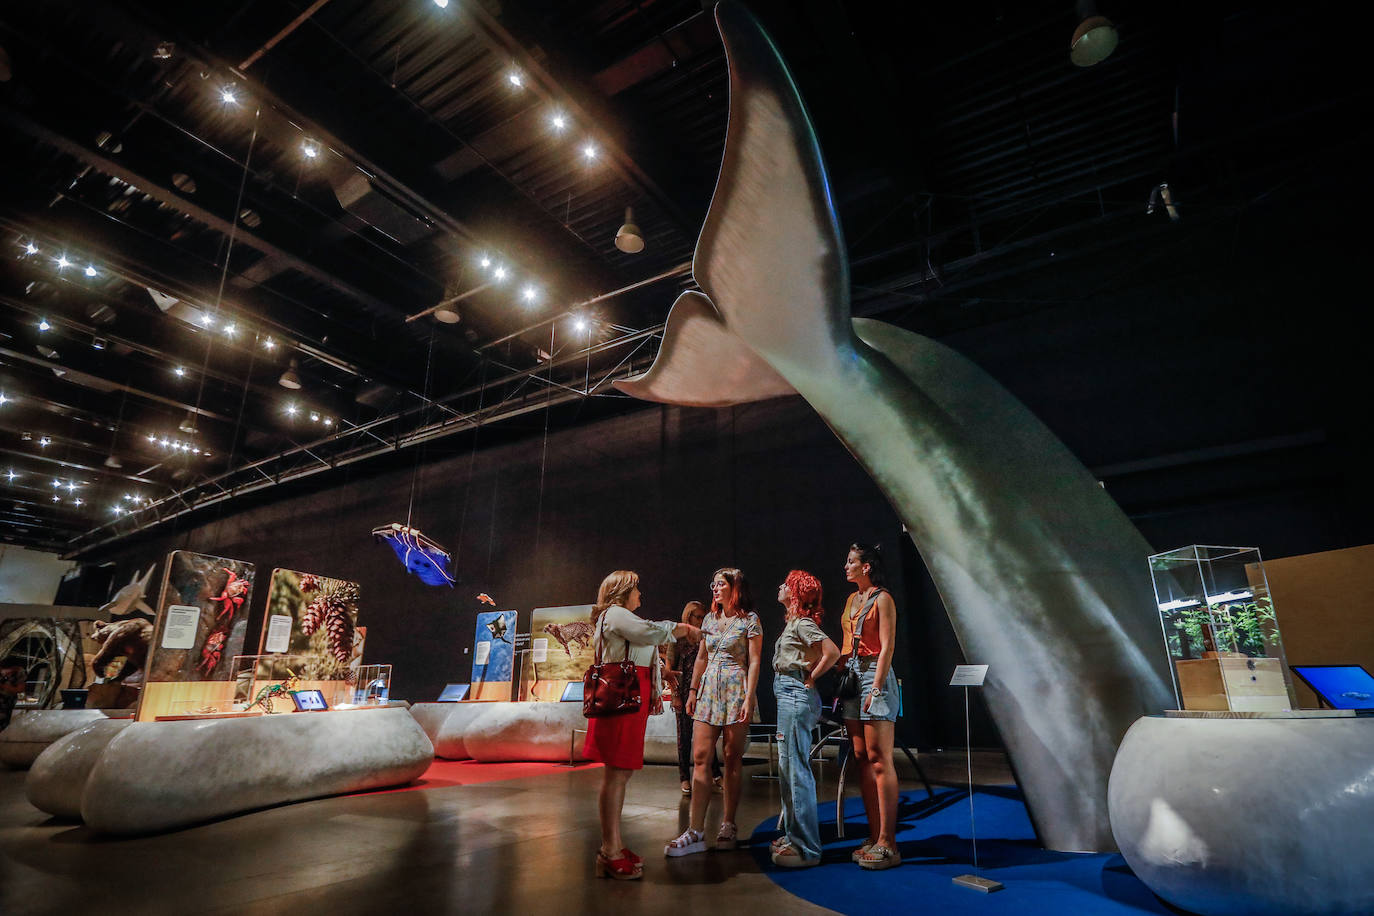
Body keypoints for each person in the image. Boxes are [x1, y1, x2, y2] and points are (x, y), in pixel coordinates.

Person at [585, 570, 700, 880]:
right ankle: (609, 851)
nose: (641, 595)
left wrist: (665, 677)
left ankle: (613, 847)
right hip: (621, 702)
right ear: (623, 592)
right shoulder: (616, 614)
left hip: (628, 702)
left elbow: (642, 647)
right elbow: (649, 633)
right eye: (636, 589)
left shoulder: (619, 617)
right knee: (616, 773)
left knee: (619, 773)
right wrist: (683, 628)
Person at [665, 568, 762, 857]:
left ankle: (728, 823)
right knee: (700, 757)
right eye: (714, 584)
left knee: (732, 756)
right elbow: (702, 658)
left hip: (736, 689)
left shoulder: (750, 620)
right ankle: (695, 829)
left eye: (721, 584)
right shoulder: (709, 619)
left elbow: (755, 661)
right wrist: (692, 690)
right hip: (708, 689)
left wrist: (749, 696)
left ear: (735, 589)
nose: (715, 589)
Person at [770, 569, 840, 868]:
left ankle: (807, 848)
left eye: (787, 584)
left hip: (795, 695)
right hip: (789, 695)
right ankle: (793, 835)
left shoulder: (802, 624)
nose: (781, 586)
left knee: (795, 770)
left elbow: (831, 652)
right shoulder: (794, 624)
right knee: (789, 768)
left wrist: (812, 676)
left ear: (796, 593)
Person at [839, 543, 902, 870]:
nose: (846, 566)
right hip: (852, 675)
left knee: (880, 758)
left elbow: (888, 646)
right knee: (861, 757)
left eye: (851, 561)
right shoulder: (852, 600)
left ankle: (889, 843)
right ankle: (875, 834)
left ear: (866, 567)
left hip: (874, 673)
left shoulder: (884, 599)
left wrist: (876, 687)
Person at [665, 601, 722, 795]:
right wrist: (675, 695)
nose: (700, 620)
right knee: (684, 737)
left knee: (708, 735)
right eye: (697, 617)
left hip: (703, 691)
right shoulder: (677, 639)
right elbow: (669, 669)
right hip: (682, 691)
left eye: (702, 617)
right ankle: (684, 777)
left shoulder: (704, 638)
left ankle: (716, 774)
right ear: (688, 616)